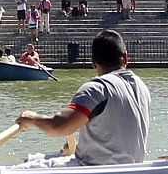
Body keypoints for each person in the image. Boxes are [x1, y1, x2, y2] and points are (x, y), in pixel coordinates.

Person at [15, 30, 152, 166]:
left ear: (93, 62)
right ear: (126, 58)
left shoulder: (98, 88)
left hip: (93, 170)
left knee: (24, 166)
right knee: (34, 159)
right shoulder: (142, 87)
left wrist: (31, 118)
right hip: (130, 168)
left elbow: (59, 126)